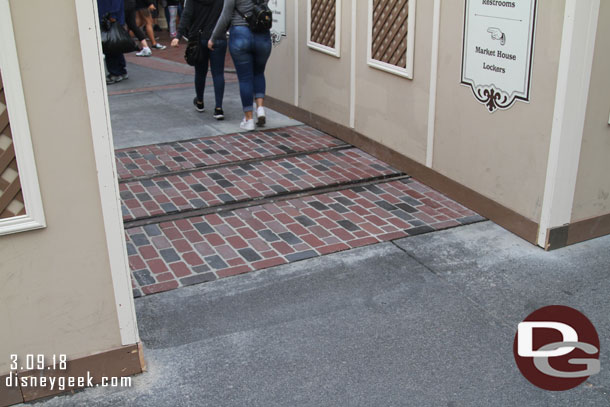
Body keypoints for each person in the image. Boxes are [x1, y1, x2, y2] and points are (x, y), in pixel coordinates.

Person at [209, 0, 272, 131]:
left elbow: (225, 16)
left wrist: (213, 38)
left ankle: (248, 119)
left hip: (240, 33)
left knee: (245, 78)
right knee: (259, 72)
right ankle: (260, 108)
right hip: (262, 34)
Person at [171, 0, 226, 120]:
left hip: (199, 37)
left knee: (200, 72)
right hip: (218, 37)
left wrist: (178, 36)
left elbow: (187, 14)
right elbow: (227, 14)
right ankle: (218, 108)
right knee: (218, 74)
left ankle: (200, 101)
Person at [98, 0, 129, 84]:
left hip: (110, 17)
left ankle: (115, 72)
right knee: (115, 44)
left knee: (110, 45)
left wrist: (113, 15)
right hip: (110, 16)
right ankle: (120, 70)